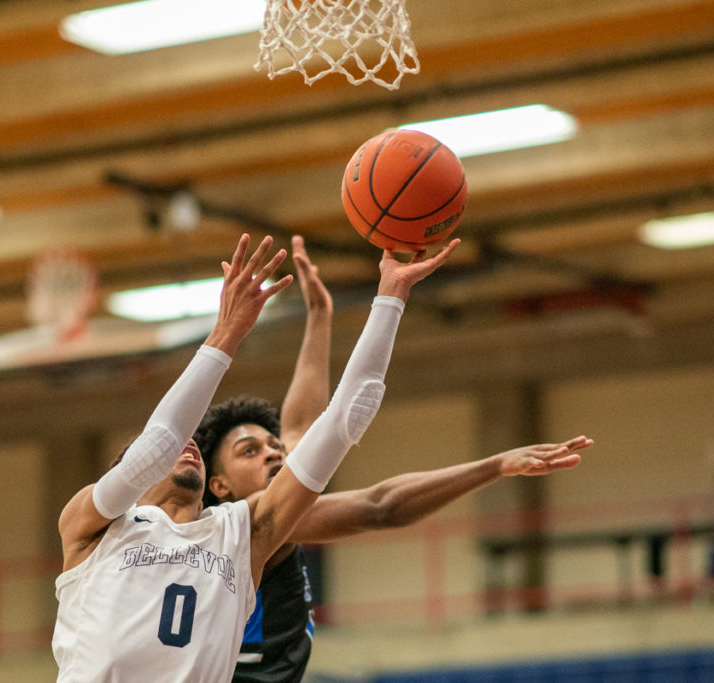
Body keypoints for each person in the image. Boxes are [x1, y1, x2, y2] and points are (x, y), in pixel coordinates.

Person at [52, 233, 461, 682]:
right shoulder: (93, 527)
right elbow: (158, 443)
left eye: (194, 444)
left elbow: (347, 415)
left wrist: (390, 297)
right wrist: (227, 332)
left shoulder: (240, 534)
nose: (185, 443)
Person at [195, 236, 594, 683]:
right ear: (219, 486)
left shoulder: (268, 508)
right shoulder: (247, 529)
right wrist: (494, 466)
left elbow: (301, 431)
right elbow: (380, 507)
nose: (272, 451)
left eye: (272, 446)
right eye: (249, 451)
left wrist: (320, 318)